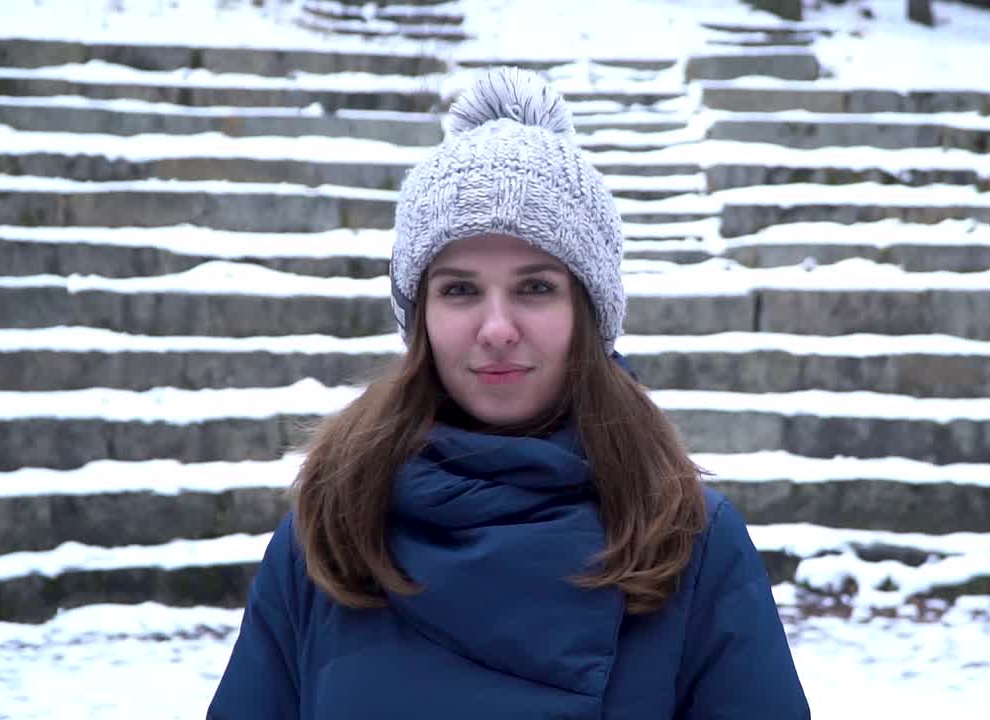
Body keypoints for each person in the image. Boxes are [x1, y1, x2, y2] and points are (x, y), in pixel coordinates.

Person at [207, 67, 810, 719]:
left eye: (535, 287)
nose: (496, 329)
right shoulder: (328, 532)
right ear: (420, 317)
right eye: (460, 289)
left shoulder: (689, 541)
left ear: (589, 313)